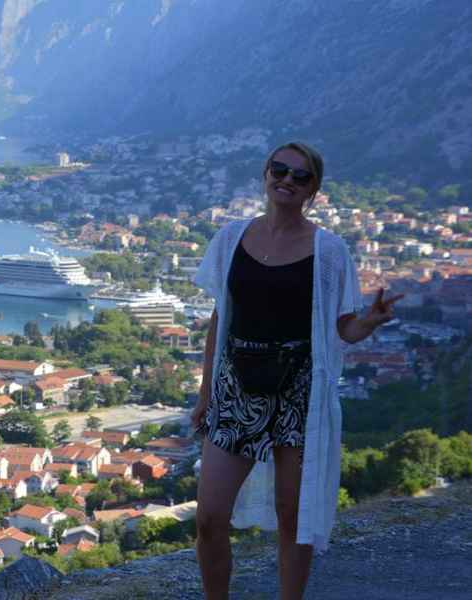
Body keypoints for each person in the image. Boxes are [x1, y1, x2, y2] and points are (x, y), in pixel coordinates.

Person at [190, 141, 402, 600]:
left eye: (300, 176)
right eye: (279, 169)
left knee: (293, 516)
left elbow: (343, 328)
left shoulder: (328, 251)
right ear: (265, 174)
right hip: (236, 387)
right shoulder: (231, 238)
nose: (287, 179)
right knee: (209, 517)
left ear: (314, 190)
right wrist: (206, 392)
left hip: (298, 392)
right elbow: (219, 319)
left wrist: (370, 319)